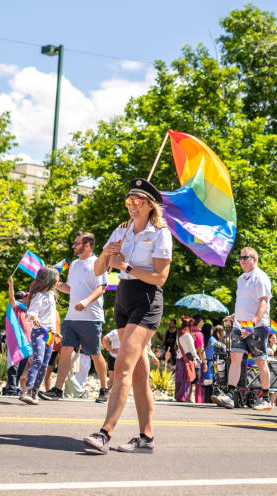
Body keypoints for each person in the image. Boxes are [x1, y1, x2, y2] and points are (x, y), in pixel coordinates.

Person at [83, 177, 172, 454]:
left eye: (138, 201)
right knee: (140, 374)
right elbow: (99, 270)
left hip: (147, 299)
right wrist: (107, 254)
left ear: (149, 205)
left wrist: (128, 266)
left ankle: (104, 433)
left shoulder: (160, 232)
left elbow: (160, 277)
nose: (132, 205)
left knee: (121, 367)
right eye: (129, 201)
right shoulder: (121, 230)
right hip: (123, 296)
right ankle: (146, 437)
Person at [40, 232, 109, 403]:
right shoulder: (74, 264)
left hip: (91, 318)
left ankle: (104, 389)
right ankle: (57, 390)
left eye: (76, 243)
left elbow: (102, 288)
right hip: (71, 317)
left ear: (87, 245)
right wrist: (53, 283)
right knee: (65, 352)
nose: (73, 246)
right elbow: (70, 288)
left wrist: (86, 301)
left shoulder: (98, 263)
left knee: (95, 353)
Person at [211, 247, 273, 411]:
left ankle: (266, 398)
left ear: (255, 259)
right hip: (240, 324)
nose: (242, 260)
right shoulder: (241, 278)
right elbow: (245, 303)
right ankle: (230, 395)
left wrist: (252, 324)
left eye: (246, 257)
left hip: (257, 325)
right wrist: (234, 316)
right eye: (241, 257)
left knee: (260, 361)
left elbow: (263, 303)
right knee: (235, 356)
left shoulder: (260, 277)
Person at [19, 267, 59, 405]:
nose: (58, 281)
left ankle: (35, 392)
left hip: (49, 334)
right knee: (37, 359)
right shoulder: (39, 295)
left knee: (45, 363)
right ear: (50, 280)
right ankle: (28, 390)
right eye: (56, 279)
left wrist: (55, 331)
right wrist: (34, 317)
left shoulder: (52, 295)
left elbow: (50, 316)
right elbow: (32, 311)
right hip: (39, 332)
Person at [2, 279, 32, 396]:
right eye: (27, 297)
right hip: (16, 341)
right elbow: (11, 297)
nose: (28, 299)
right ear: (23, 298)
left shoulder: (31, 312)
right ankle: (11, 386)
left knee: (22, 366)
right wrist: (11, 285)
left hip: (27, 343)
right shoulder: (17, 307)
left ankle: (15, 385)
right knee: (14, 364)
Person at [174, 317, 198, 402]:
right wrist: (196, 357)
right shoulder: (188, 335)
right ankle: (182, 397)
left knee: (179, 378)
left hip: (180, 358)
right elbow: (192, 349)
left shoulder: (179, 334)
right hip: (187, 358)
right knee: (186, 378)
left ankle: (178, 396)